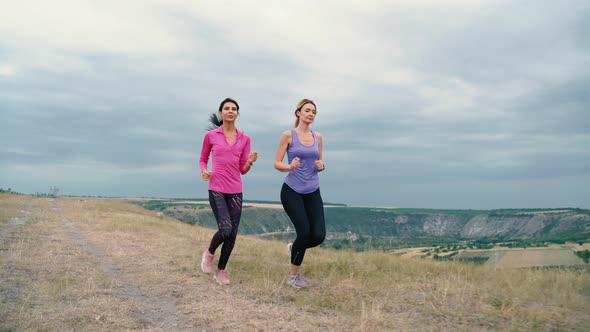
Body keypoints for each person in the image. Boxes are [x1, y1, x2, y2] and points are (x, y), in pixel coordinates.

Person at [199, 97, 257, 285]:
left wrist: (249, 162)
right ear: (221, 112)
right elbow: (202, 158)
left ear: (237, 114)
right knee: (225, 229)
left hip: (235, 190)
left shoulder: (245, 138)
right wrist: (204, 171)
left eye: (234, 109)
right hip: (216, 187)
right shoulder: (211, 136)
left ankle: (221, 271)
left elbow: (243, 170)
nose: (230, 111)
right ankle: (209, 253)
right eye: (227, 108)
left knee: (233, 233)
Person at [274, 98, 326, 289]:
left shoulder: (317, 137)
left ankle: (294, 247)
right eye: (307, 110)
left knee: (319, 235)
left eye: (314, 111)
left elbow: (319, 162)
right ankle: (293, 276)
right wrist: (290, 166)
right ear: (298, 113)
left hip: (313, 191)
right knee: (304, 233)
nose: (311, 114)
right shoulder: (288, 135)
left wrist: (321, 166)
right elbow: (277, 163)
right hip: (292, 191)